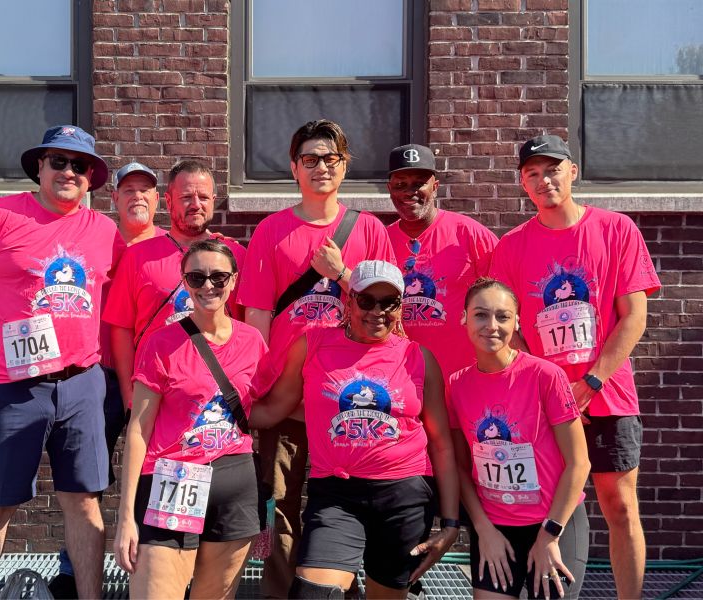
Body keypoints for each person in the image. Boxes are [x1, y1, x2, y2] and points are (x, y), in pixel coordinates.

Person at [0, 125, 123, 599]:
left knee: (84, 504)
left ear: (91, 177)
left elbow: (120, 295)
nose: (68, 172)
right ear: (39, 166)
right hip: (12, 385)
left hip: (82, 384)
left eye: (80, 166)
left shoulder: (104, 230)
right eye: (58, 161)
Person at [489, 135, 661, 599]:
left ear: (573, 171)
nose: (544, 180)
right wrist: (550, 385)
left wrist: (592, 379)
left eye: (552, 169)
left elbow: (634, 315)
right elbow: (511, 328)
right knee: (551, 507)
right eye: (532, 173)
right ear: (523, 184)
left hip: (607, 394)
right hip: (544, 402)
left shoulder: (616, 229)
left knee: (619, 505)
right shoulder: (511, 247)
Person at [237, 120, 396, 598]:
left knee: (348, 504)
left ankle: (344, 589)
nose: (321, 167)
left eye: (330, 158)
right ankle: (283, 590)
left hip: (353, 397)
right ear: (294, 167)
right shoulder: (271, 231)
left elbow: (390, 312)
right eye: (310, 159)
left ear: (344, 166)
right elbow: (258, 317)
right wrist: (256, 388)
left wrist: (343, 274)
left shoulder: (369, 229)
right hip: (288, 398)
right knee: (278, 504)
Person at [249, 260, 460, 600]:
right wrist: (220, 409)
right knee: (314, 593)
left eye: (388, 303)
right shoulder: (312, 345)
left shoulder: (418, 358)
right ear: (349, 301)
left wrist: (450, 524)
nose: (377, 311)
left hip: (403, 496)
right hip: (337, 495)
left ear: (400, 307)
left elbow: (442, 445)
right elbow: (275, 408)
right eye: (366, 300)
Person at [114, 239, 267, 599]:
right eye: (196, 277)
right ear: (185, 282)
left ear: (233, 281)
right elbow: (138, 429)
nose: (207, 286)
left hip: (234, 481)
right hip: (172, 478)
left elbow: (259, 410)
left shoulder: (253, 341)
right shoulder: (160, 343)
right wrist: (125, 516)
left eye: (218, 277)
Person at [50, 161, 167, 599]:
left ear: (160, 200)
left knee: (154, 473)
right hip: (96, 374)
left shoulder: (171, 248)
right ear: (112, 198)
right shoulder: (96, 240)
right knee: (87, 479)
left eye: (146, 190)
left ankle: (154, 562)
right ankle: (74, 570)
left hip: (157, 381)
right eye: (128, 189)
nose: (137, 196)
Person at [447, 278, 590, 599]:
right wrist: (483, 530)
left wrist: (549, 535)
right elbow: (459, 465)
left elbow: (579, 463)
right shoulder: (456, 385)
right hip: (495, 528)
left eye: (503, 316)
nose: (492, 326)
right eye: (481, 315)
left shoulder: (546, 375)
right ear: (464, 317)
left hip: (555, 523)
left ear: (517, 322)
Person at [103, 159, 246, 411]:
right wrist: (128, 391)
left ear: (214, 199)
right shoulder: (138, 257)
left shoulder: (235, 255)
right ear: (168, 201)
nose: (196, 205)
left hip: (218, 392)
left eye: (203, 197)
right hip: (157, 394)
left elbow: (247, 325)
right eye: (186, 197)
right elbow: (121, 329)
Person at [385, 144, 498, 379]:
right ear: (390, 189)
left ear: (435, 187)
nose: (409, 192)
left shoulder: (470, 234)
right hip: (401, 380)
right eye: (400, 185)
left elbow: (505, 304)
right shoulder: (381, 240)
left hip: (464, 379)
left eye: (419, 183)